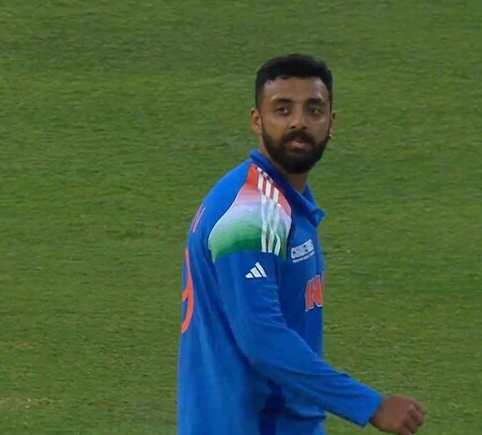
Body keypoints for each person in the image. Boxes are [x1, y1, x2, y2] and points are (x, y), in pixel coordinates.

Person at [176, 53, 425, 435]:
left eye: (314, 110)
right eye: (282, 109)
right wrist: (370, 405)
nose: (298, 122)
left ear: (331, 122)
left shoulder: (281, 202)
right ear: (257, 120)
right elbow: (261, 337)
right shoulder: (252, 212)